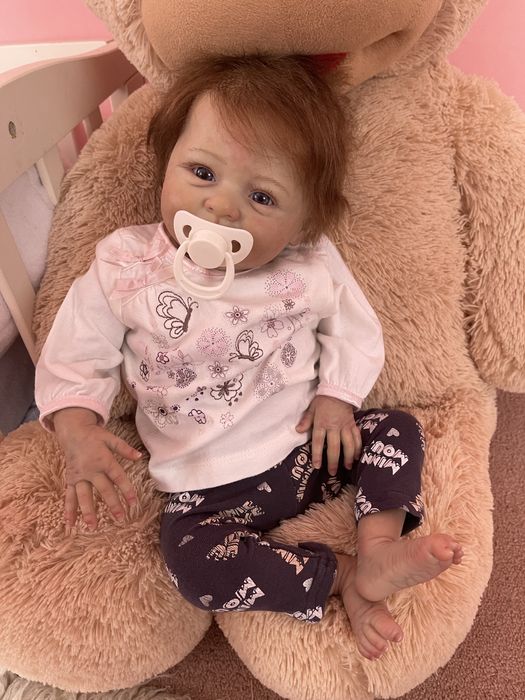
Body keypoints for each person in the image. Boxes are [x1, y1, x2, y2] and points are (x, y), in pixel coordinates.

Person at [35, 54, 463, 661]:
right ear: (166, 163)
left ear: (303, 222)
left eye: (261, 196)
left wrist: (337, 399)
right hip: (205, 488)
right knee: (191, 565)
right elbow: (76, 351)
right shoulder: (127, 266)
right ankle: (343, 577)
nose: (221, 207)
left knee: (397, 430)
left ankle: (378, 549)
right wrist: (78, 427)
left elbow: (356, 329)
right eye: (201, 172)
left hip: (310, 451)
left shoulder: (306, 262)